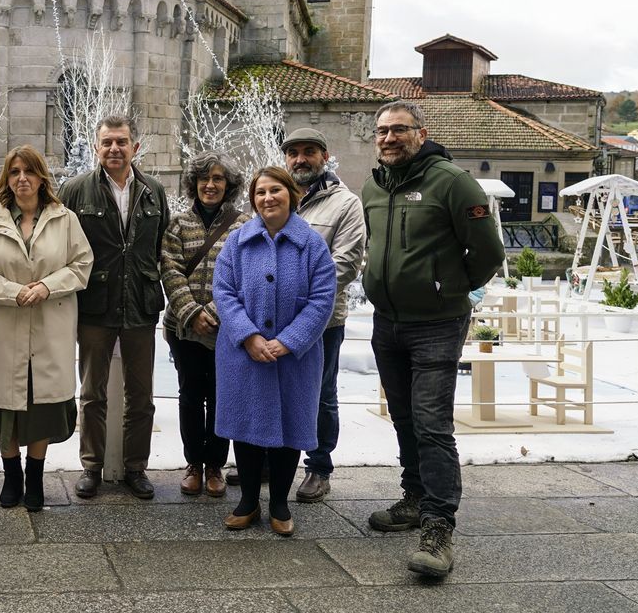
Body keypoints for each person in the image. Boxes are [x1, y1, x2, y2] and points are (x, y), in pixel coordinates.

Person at [361, 100, 504, 577]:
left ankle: (438, 527)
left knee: (431, 423)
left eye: (399, 130)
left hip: (437, 324)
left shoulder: (452, 181)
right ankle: (415, 497)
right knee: (403, 417)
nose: (388, 138)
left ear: (421, 134)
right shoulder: (374, 185)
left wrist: (450, 288)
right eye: (381, 131)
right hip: (388, 321)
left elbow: (488, 251)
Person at [0, 145, 93, 511]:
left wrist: (46, 287)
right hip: (4, 327)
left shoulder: (63, 218)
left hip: (49, 326)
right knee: (7, 407)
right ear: (7, 178)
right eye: (15, 172)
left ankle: (34, 476)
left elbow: (82, 263)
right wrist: (12, 291)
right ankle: (11, 476)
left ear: (41, 178)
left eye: (29, 172)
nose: (22, 179)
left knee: (41, 407)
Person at [212, 166, 335, 537]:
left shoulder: (312, 244)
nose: (267, 198)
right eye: (260, 192)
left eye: (275, 190)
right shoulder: (237, 242)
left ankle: (279, 503)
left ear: (291, 195)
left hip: (294, 357)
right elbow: (224, 291)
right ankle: (248, 501)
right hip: (243, 354)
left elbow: (322, 298)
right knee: (246, 427)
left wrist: (290, 340)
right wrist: (249, 336)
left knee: (290, 427)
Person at [58, 115, 169, 500]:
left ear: (135, 147)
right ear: (96, 147)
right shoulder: (74, 190)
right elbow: (60, 245)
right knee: (92, 393)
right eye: (106, 142)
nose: (114, 149)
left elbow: (159, 249)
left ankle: (136, 467)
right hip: (94, 305)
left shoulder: (154, 191)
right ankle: (91, 465)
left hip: (140, 304)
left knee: (142, 395)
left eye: (121, 142)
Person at [280, 128, 366, 504]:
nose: (301, 159)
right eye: (294, 153)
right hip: (275, 319)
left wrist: (293, 295)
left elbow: (344, 264)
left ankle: (319, 467)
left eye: (309, 152)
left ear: (325, 156)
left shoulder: (345, 204)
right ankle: (273, 458)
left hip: (322, 320)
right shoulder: (277, 196)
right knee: (277, 387)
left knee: (320, 393)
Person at [160, 152, 248, 498]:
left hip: (224, 330)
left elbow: (242, 277)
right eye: (204, 179)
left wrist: (212, 312)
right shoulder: (179, 224)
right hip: (183, 329)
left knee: (221, 396)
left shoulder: (243, 225)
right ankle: (193, 463)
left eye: (218, 179)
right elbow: (169, 269)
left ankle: (215, 465)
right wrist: (191, 313)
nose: (210, 185)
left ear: (229, 186)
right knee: (191, 396)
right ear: (194, 184)